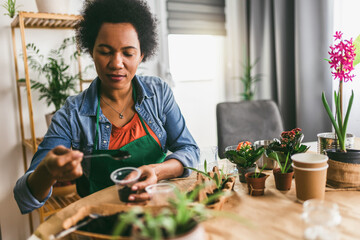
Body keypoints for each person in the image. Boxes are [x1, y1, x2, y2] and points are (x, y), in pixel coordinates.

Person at [14, 0, 199, 214]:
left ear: (142, 55)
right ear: (91, 50)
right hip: (102, 224)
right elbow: (24, 199)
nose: (116, 63)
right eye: (105, 51)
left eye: (128, 53)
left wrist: (158, 171)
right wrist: (48, 170)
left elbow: (189, 149)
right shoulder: (72, 114)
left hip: (159, 215)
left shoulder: (158, 93)